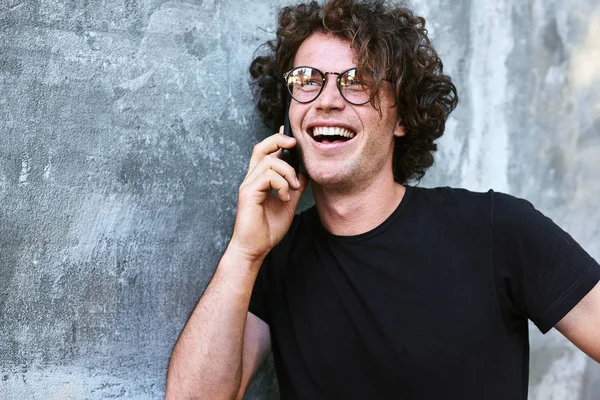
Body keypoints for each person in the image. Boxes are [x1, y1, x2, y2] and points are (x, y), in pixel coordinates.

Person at [165, 0, 600, 399]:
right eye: (306, 80)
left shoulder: (496, 230)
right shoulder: (272, 258)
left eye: (357, 82)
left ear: (403, 117)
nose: (327, 100)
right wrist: (243, 254)